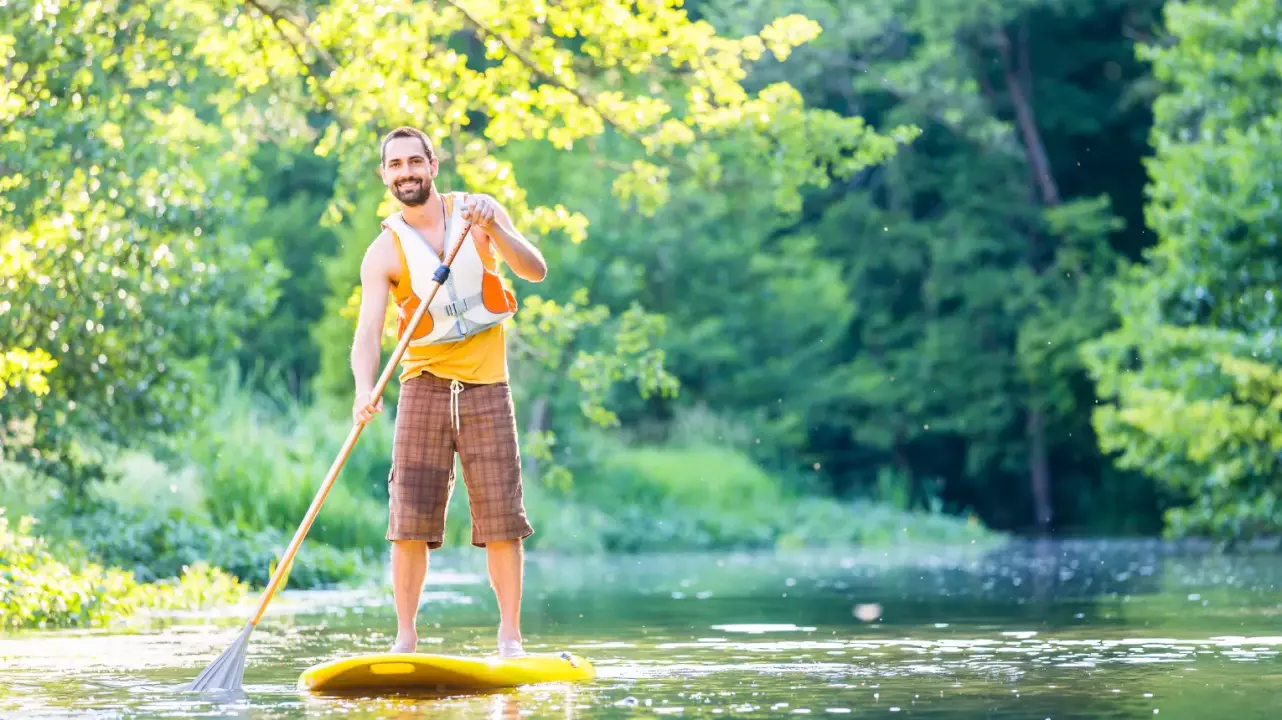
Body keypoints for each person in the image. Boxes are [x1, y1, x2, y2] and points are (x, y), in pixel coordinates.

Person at [349, 126, 547, 658]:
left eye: (416, 161)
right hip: (423, 386)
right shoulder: (382, 251)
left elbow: (535, 269)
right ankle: (406, 638)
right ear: (385, 175)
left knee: (502, 519)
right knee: (408, 520)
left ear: (434, 166)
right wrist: (363, 389)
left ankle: (510, 637)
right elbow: (367, 332)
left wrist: (498, 230)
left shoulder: (477, 214)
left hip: (487, 385)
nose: (407, 172)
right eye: (396, 165)